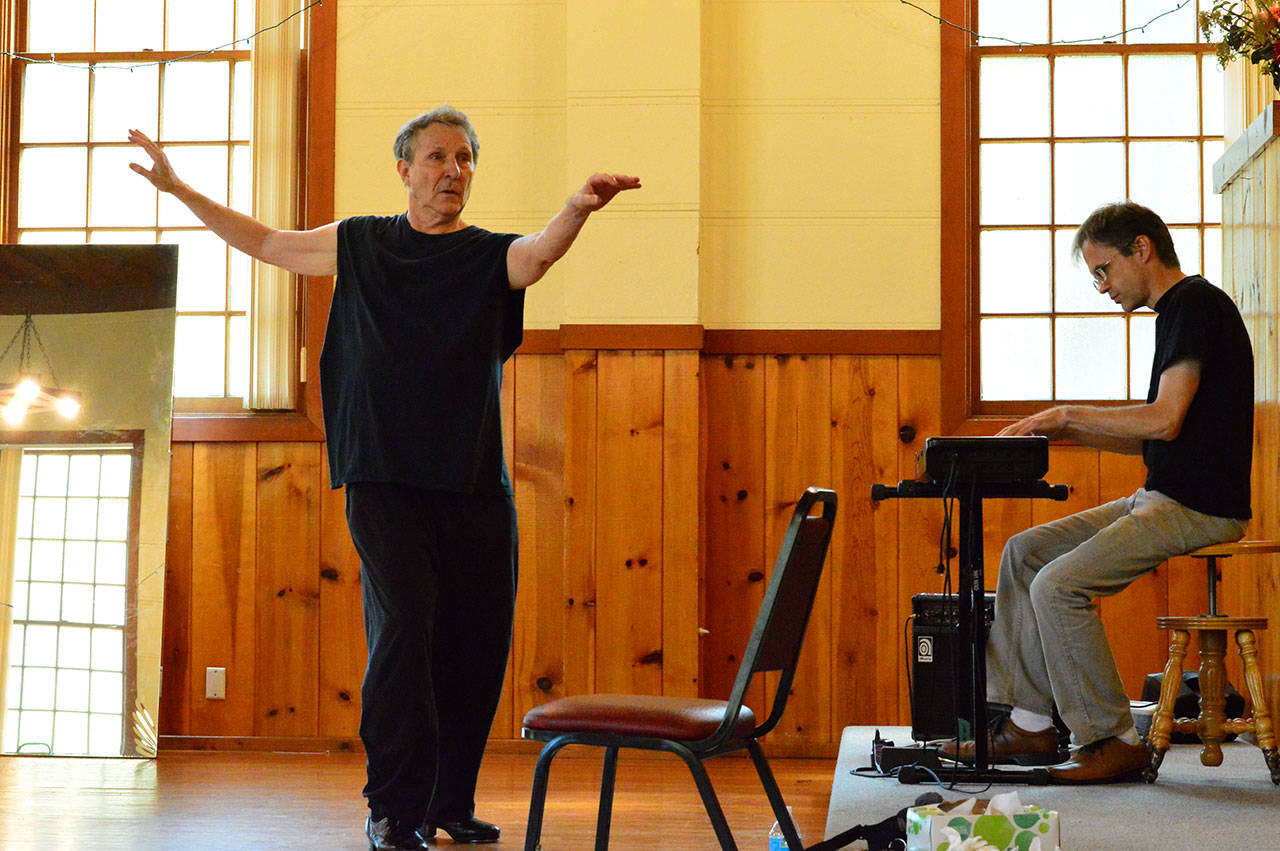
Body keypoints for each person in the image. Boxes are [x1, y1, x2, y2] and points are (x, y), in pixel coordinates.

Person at [129, 106, 639, 849]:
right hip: (383, 477)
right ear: (405, 170)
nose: (451, 172)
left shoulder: (485, 255)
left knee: (476, 640)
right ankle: (393, 808)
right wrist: (181, 190)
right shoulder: (361, 242)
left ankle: (447, 804)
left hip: (471, 482)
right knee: (403, 627)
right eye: (436, 158)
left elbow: (535, 257)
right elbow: (269, 242)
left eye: (463, 159)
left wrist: (577, 207)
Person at [941, 201, 1253, 784]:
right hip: (1162, 494)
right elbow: (1158, 443)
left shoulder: (1194, 304)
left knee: (1059, 586)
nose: (1101, 287)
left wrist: (1065, 413)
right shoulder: (1177, 313)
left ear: (1141, 248)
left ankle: (1110, 739)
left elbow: (1163, 422)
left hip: (1201, 506)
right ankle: (1031, 726)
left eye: (1103, 271)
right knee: (1025, 551)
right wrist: (1056, 432)